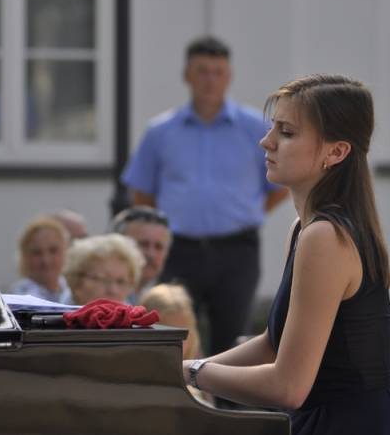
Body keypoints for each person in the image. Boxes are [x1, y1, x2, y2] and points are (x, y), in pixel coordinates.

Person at [181, 75, 390, 435]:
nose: (267, 141)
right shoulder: (306, 229)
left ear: (336, 152)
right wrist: (187, 369)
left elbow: (289, 386)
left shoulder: (325, 237)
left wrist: (191, 373)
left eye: (287, 132)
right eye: (273, 128)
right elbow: (273, 344)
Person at [121, 35, 288, 355]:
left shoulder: (256, 128)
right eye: (202, 71)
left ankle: (224, 391)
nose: (210, 80)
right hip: (178, 250)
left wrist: (250, 212)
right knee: (172, 333)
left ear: (229, 76)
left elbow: (280, 183)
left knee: (233, 340)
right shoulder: (160, 131)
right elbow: (141, 191)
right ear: (187, 75)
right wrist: (162, 231)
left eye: (218, 72)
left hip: (237, 251)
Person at [111, 206, 173, 303]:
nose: (151, 254)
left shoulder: (165, 299)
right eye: (143, 244)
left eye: (158, 247)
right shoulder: (102, 295)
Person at [62, 233, 145, 305]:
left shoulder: (132, 316)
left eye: (121, 281)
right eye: (105, 280)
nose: (113, 290)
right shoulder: (57, 315)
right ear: (77, 281)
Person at [10, 216, 71, 302]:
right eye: (37, 253)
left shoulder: (75, 291)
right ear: (24, 257)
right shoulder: (16, 300)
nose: (46, 260)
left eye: (53, 250)